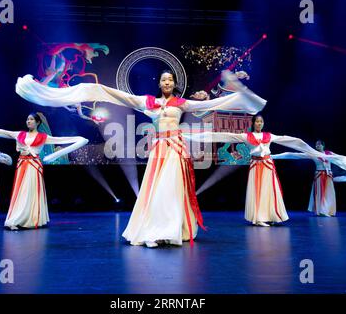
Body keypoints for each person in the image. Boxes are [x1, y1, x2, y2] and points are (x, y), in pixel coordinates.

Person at [15, 69, 267, 247]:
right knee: (156, 189)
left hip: (175, 149)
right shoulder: (148, 103)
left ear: (174, 83)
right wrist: (96, 89)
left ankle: (172, 230)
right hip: (159, 150)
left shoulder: (182, 104)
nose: (167, 82)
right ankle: (154, 230)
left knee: (173, 188)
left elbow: (210, 105)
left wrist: (240, 94)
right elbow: (117, 95)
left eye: (170, 80)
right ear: (159, 83)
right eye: (163, 79)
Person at [190, 115, 346, 226]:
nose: (259, 124)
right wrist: (197, 136)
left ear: (263, 124)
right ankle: (259, 218)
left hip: (268, 166)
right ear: (253, 123)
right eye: (257, 122)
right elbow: (224, 135)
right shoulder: (245, 137)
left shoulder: (269, 136)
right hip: (257, 167)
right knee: (258, 192)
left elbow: (289, 141)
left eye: (261, 122)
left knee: (270, 192)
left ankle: (271, 216)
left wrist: (303, 145)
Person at [271, 140, 346, 217]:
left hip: (328, 176)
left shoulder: (330, 154)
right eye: (317, 144)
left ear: (323, 145)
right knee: (321, 193)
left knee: (329, 193)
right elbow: (296, 155)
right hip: (319, 176)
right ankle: (322, 211)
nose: (318, 145)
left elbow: (339, 158)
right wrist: (274, 156)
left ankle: (329, 211)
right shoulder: (313, 154)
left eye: (320, 144)